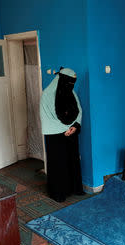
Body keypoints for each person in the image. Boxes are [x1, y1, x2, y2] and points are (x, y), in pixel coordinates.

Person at [40, 67, 84, 202]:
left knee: (73, 160)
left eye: (73, 83)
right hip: (55, 134)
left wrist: (75, 126)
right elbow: (50, 116)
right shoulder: (47, 94)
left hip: (71, 132)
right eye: (69, 82)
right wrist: (65, 128)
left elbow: (78, 110)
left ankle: (75, 188)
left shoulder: (72, 93)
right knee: (58, 163)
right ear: (61, 80)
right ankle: (59, 193)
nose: (71, 86)